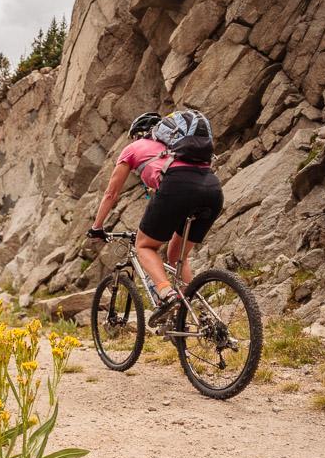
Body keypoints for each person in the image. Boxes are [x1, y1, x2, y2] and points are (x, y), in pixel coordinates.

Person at [87, 111, 224, 321]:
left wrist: (97, 227)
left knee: (144, 246)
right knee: (178, 255)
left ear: (137, 134)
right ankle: (198, 313)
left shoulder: (133, 148)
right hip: (212, 188)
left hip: (178, 187)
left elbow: (111, 193)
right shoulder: (174, 148)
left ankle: (167, 293)